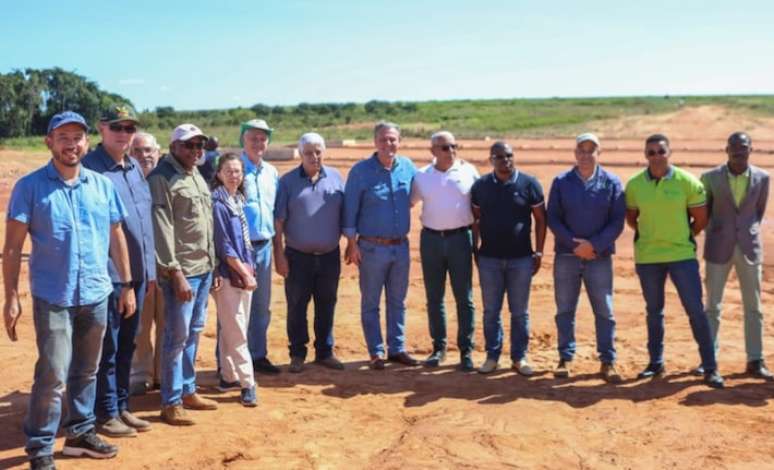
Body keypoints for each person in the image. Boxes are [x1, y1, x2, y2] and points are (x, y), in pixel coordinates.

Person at [3, 111, 134, 469]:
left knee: (87, 371)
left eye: (77, 137)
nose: (71, 144)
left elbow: (116, 235)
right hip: (54, 297)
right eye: (63, 137)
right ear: (49, 142)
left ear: (87, 142)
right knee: (52, 375)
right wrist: (11, 296)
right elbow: (12, 248)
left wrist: (125, 284)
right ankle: (41, 448)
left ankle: (79, 433)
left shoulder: (101, 186)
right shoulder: (30, 187)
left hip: (96, 292)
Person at [625, 134, 724, 388]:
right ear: (645, 155)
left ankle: (710, 367)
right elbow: (632, 219)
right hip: (648, 257)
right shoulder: (635, 185)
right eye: (651, 152)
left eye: (661, 151)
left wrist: (682, 236)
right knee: (654, 311)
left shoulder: (688, 182)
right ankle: (655, 363)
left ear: (669, 153)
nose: (656, 156)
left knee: (695, 311)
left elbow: (700, 219)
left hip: (682, 257)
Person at [82, 106, 155, 436]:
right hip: (109, 275)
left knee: (128, 344)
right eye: (117, 127)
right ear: (102, 128)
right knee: (107, 347)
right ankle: (106, 412)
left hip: (137, 273)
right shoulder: (89, 168)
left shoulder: (134, 166)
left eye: (129, 128)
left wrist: (149, 271)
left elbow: (144, 223)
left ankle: (123, 407)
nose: (124, 134)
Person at [148, 123, 220, 425]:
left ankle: (188, 390)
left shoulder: (195, 175)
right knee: (176, 338)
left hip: (203, 269)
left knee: (193, 332)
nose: (195, 150)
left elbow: (205, 224)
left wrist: (213, 265)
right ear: (173, 146)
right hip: (182, 272)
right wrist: (174, 271)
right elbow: (161, 228)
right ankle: (171, 401)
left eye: (199, 145)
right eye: (188, 145)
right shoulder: (162, 178)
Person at [546, 133, 625, 383]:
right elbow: (553, 218)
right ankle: (565, 358)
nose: (586, 155)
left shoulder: (611, 182)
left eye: (591, 150)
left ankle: (607, 361)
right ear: (575, 153)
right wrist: (574, 245)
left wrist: (594, 245)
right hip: (566, 256)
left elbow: (617, 221)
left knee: (604, 310)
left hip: (599, 257)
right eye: (581, 150)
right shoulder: (561, 182)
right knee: (565, 309)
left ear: (599, 153)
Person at [343, 121, 419, 370]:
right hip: (371, 248)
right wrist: (351, 243)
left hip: (401, 247)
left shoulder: (408, 167)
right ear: (375, 142)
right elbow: (350, 209)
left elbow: (413, 198)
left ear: (399, 141)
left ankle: (397, 348)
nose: (388, 144)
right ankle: (376, 352)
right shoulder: (360, 171)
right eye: (383, 139)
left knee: (398, 301)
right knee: (371, 302)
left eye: (393, 139)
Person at [700, 132, 771, 380]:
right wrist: (721, 231)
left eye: (743, 147)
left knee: (754, 307)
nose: (739, 151)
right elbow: (705, 212)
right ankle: (709, 360)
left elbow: (758, 213)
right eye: (734, 147)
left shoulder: (763, 178)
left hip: (749, 249)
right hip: (718, 247)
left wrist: (745, 232)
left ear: (751, 149)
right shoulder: (710, 178)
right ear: (726, 149)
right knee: (712, 306)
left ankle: (755, 360)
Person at [471, 141, 546, 375]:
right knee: (491, 311)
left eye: (509, 155)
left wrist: (539, 252)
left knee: (520, 312)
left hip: (521, 259)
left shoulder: (529, 184)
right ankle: (492, 357)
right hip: (489, 259)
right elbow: (475, 219)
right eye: (500, 157)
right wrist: (475, 249)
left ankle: (519, 357)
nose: (506, 161)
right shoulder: (481, 186)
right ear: (491, 160)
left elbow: (541, 220)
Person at [274, 132, 345, 373]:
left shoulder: (336, 178)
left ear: (324, 152)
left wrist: (352, 242)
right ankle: (297, 354)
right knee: (296, 306)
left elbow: (346, 215)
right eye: (308, 153)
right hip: (297, 257)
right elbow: (279, 222)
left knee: (327, 304)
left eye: (318, 152)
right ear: (300, 155)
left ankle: (325, 352)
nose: (314, 157)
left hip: (329, 256)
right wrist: (279, 255)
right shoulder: (287, 182)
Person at [410, 131, 478, 371]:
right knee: (434, 297)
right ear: (433, 151)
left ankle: (466, 350)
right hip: (431, 241)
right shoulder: (422, 176)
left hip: (460, 239)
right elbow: (408, 202)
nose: (451, 151)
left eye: (453, 146)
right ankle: (439, 348)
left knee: (464, 297)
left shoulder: (468, 172)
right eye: (444, 147)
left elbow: (479, 206)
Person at [211, 153, 259, 405]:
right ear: (219, 174)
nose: (233, 175)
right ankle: (248, 383)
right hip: (230, 274)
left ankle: (228, 376)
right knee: (237, 329)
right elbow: (225, 246)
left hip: (243, 271)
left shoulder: (237, 200)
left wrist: (249, 270)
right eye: (228, 171)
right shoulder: (218, 204)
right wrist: (244, 272)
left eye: (238, 171)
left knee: (231, 326)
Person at [240, 119, 281, 374]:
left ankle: (257, 355)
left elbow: (275, 213)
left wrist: (278, 249)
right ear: (243, 140)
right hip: (239, 249)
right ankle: (229, 362)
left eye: (263, 138)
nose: (258, 143)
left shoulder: (271, 173)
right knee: (236, 308)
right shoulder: (233, 169)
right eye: (253, 138)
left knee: (261, 306)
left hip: (264, 247)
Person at [128, 131, 164, 396]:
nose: (144, 155)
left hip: (168, 267)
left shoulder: (168, 180)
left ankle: (163, 373)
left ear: (158, 152)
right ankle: (141, 374)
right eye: (137, 151)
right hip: (137, 267)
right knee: (140, 325)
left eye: (149, 150)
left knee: (168, 323)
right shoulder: (124, 182)